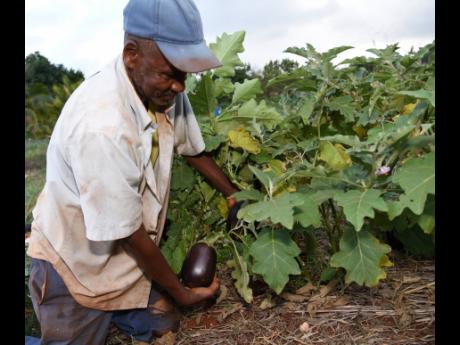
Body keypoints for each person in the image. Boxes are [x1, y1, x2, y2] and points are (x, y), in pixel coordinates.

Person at [25, 0, 241, 344]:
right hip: (75, 266)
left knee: (162, 325)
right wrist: (182, 294)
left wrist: (233, 195)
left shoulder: (160, 88)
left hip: (126, 261)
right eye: (171, 74)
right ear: (132, 54)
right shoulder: (102, 126)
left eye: (184, 74)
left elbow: (192, 149)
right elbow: (128, 233)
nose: (180, 86)